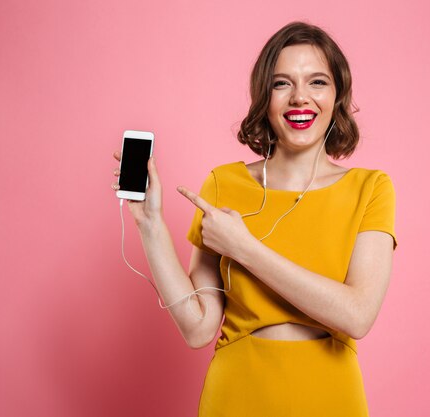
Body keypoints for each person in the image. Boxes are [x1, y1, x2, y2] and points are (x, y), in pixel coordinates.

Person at [112, 21, 397, 417]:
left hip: (330, 395)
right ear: (265, 96)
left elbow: (357, 315)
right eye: (282, 84)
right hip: (237, 393)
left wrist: (245, 249)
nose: (300, 98)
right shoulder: (223, 183)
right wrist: (150, 225)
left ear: (337, 95)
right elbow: (198, 329)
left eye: (317, 82)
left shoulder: (371, 188)